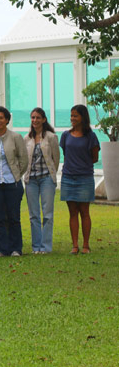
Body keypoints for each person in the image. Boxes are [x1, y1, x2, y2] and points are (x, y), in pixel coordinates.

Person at [0, 107, 28, 257]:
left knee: (14, 217)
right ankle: (1, 248)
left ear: (7, 120)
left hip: (12, 183)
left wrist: (16, 175)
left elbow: (23, 160)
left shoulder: (16, 137)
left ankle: (16, 248)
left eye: (1, 118)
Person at [60, 104, 100, 255]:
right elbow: (66, 153)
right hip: (68, 177)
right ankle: (75, 245)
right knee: (72, 212)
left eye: (75, 115)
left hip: (85, 177)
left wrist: (81, 165)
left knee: (84, 212)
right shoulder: (65, 135)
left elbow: (94, 158)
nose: (72, 118)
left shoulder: (91, 136)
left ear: (83, 117)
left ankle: (86, 245)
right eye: (71, 115)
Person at [24, 108, 59, 255]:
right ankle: (36, 246)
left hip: (46, 179)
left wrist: (51, 175)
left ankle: (45, 247)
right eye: (33, 117)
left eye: (38, 117)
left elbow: (56, 158)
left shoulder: (51, 137)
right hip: (31, 179)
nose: (35, 120)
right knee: (33, 215)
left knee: (48, 214)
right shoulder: (26, 138)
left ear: (44, 119)